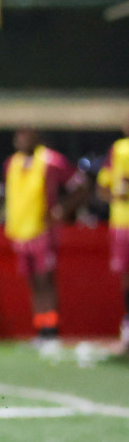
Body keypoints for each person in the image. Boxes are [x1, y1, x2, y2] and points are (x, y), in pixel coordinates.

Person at [4, 129, 79, 343]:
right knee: (32, 283)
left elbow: (79, 184)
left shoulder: (51, 161)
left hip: (43, 230)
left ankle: (51, 329)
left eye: (26, 135)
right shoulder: (12, 163)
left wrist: (62, 210)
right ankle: (41, 328)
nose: (22, 140)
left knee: (45, 279)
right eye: (19, 136)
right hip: (20, 231)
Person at [95, 115, 129, 350]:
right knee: (126, 277)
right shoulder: (118, 149)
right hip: (123, 223)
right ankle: (127, 328)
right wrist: (116, 197)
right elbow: (102, 187)